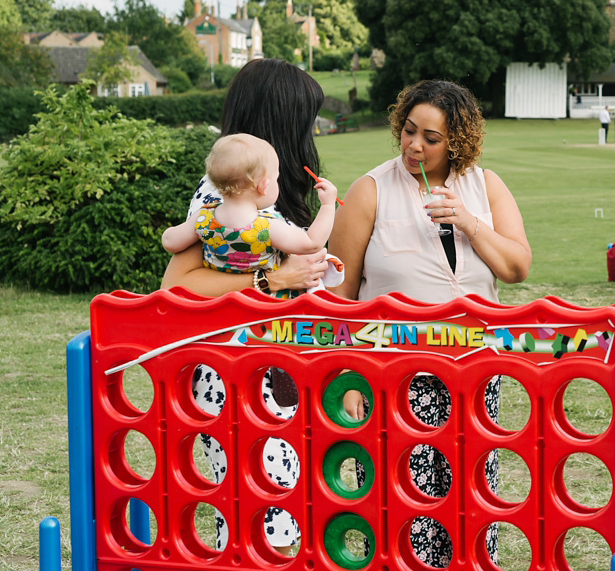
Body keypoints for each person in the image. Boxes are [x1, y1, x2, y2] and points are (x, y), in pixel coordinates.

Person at [330, 79, 531, 567]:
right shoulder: (370, 190)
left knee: (473, 498)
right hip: (395, 376)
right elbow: (338, 296)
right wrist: (347, 376)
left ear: (457, 142)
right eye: (408, 130)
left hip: (477, 373)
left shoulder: (485, 186)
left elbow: (517, 267)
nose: (414, 145)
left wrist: (468, 221)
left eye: (431, 138)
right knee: (404, 506)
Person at [161, 57, 334, 554]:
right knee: (260, 514)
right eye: (304, 119)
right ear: (279, 119)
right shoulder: (217, 196)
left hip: (278, 363)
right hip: (240, 371)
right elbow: (180, 283)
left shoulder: (263, 188)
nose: (311, 132)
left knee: (284, 510)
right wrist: (271, 278)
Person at [162, 134, 339, 288]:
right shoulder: (267, 227)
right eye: (276, 179)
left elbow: (169, 242)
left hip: (219, 303)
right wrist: (328, 206)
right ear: (263, 186)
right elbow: (312, 243)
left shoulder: (203, 218)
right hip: (264, 304)